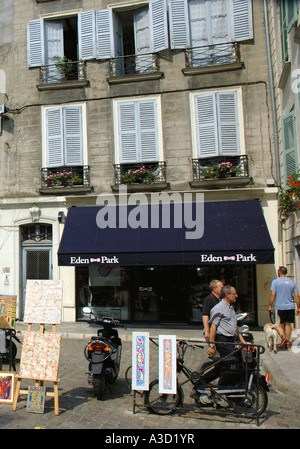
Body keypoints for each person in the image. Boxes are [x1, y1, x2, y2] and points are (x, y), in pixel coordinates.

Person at [207, 285, 247, 359]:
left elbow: (234, 326)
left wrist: (242, 340)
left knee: (239, 358)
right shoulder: (218, 308)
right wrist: (211, 346)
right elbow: (213, 327)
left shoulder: (231, 308)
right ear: (227, 295)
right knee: (232, 359)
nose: (236, 296)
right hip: (223, 340)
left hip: (231, 339)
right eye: (234, 294)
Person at [269, 266, 300, 350]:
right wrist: (298, 307)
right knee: (288, 324)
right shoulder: (292, 282)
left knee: (279, 324)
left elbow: (273, 294)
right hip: (290, 306)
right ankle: (288, 343)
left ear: (279, 272)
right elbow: (297, 295)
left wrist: (270, 305)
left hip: (280, 306)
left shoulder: (275, 282)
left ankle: (283, 338)